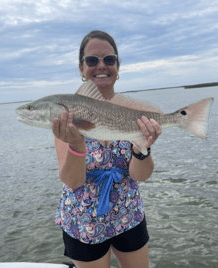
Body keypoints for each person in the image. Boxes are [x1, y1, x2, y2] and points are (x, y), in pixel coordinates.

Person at [52, 30, 162, 268]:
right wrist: (76, 144)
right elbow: (72, 180)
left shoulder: (132, 113)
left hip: (128, 214)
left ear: (117, 66)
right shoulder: (67, 113)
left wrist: (143, 148)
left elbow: (139, 175)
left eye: (109, 59)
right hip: (83, 220)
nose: (101, 65)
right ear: (81, 68)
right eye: (92, 60)